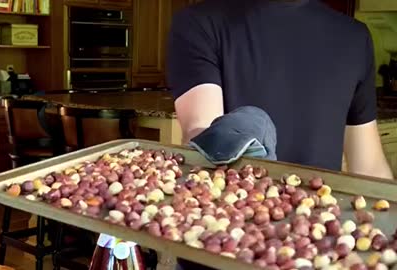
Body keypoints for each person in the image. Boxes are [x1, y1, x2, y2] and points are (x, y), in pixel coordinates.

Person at [165, 0, 394, 269]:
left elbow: (368, 166)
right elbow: (202, 135)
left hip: (314, 249)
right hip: (224, 250)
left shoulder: (355, 38)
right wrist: (233, 140)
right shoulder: (199, 23)